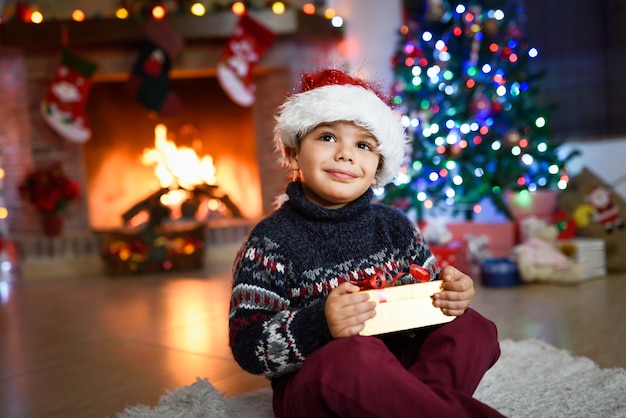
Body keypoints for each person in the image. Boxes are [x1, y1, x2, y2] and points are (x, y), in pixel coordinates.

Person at [229, 68, 504, 418]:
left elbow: (431, 298)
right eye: (327, 137)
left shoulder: (395, 227)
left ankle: (409, 406)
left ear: (377, 169)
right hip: (321, 381)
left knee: (473, 328)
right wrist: (320, 324)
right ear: (294, 154)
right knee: (354, 355)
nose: (346, 154)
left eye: (362, 145)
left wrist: (450, 295)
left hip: (397, 372)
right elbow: (248, 346)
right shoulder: (270, 242)